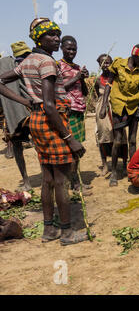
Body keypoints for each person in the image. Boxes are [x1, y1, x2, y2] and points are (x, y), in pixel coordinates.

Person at [0, 18, 91, 245]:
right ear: (38, 38)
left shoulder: (28, 60)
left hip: (37, 120)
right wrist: (70, 139)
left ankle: (49, 230)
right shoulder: (47, 63)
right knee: (61, 180)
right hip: (53, 119)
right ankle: (68, 233)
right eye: (51, 35)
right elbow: (50, 105)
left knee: (48, 178)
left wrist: (26, 101)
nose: (57, 39)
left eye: (58, 34)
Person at [99, 44, 139, 186]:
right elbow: (108, 85)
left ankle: (132, 170)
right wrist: (104, 106)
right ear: (135, 56)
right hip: (119, 106)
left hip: (134, 107)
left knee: (133, 141)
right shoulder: (118, 64)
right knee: (118, 140)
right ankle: (114, 171)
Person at [58, 36, 91, 195]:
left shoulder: (77, 67)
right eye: (68, 48)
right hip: (67, 111)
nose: (72, 52)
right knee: (72, 149)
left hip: (79, 110)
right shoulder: (58, 66)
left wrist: (83, 79)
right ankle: (75, 184)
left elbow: (83, 91)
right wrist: (76, 77)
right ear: (61, 48)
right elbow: (58, 88)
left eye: (74, 49)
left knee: (77, 148)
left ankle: (76, 181)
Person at [0, 41, 32, 190]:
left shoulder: (28, 65)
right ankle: (26, 181)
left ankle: (29, 181)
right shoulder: (8, 66)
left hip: (28, 110)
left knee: (37, 144)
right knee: (18, 145)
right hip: (17, 111)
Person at [94, 54, 128, 176]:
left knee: (122, 136)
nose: (105, 66)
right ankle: (105, 165)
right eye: (103, 63)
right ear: (99, 65)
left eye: (108, 63)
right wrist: (101, 108)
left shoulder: (117, 78)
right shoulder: (98, 80)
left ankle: (124, 164)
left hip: (116, 109)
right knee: (103, 136)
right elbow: (98, 96)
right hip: (102, 111)